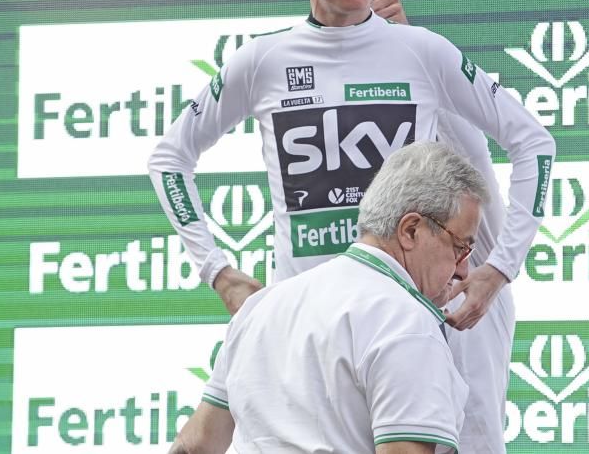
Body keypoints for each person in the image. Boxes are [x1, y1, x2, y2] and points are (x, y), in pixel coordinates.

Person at [148, 0, 556, 452]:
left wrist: (498, 270)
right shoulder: (262, 59)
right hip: (309, 324)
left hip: (415, 315)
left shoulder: (421, 49)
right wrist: (219, 272)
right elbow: (170, 158)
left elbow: (533, 142)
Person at [171, 141, 486, 453]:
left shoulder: (261, 307)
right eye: (461, 247)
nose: (463, 270)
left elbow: (195, 444)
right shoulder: (406, 323)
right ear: (411, 230)